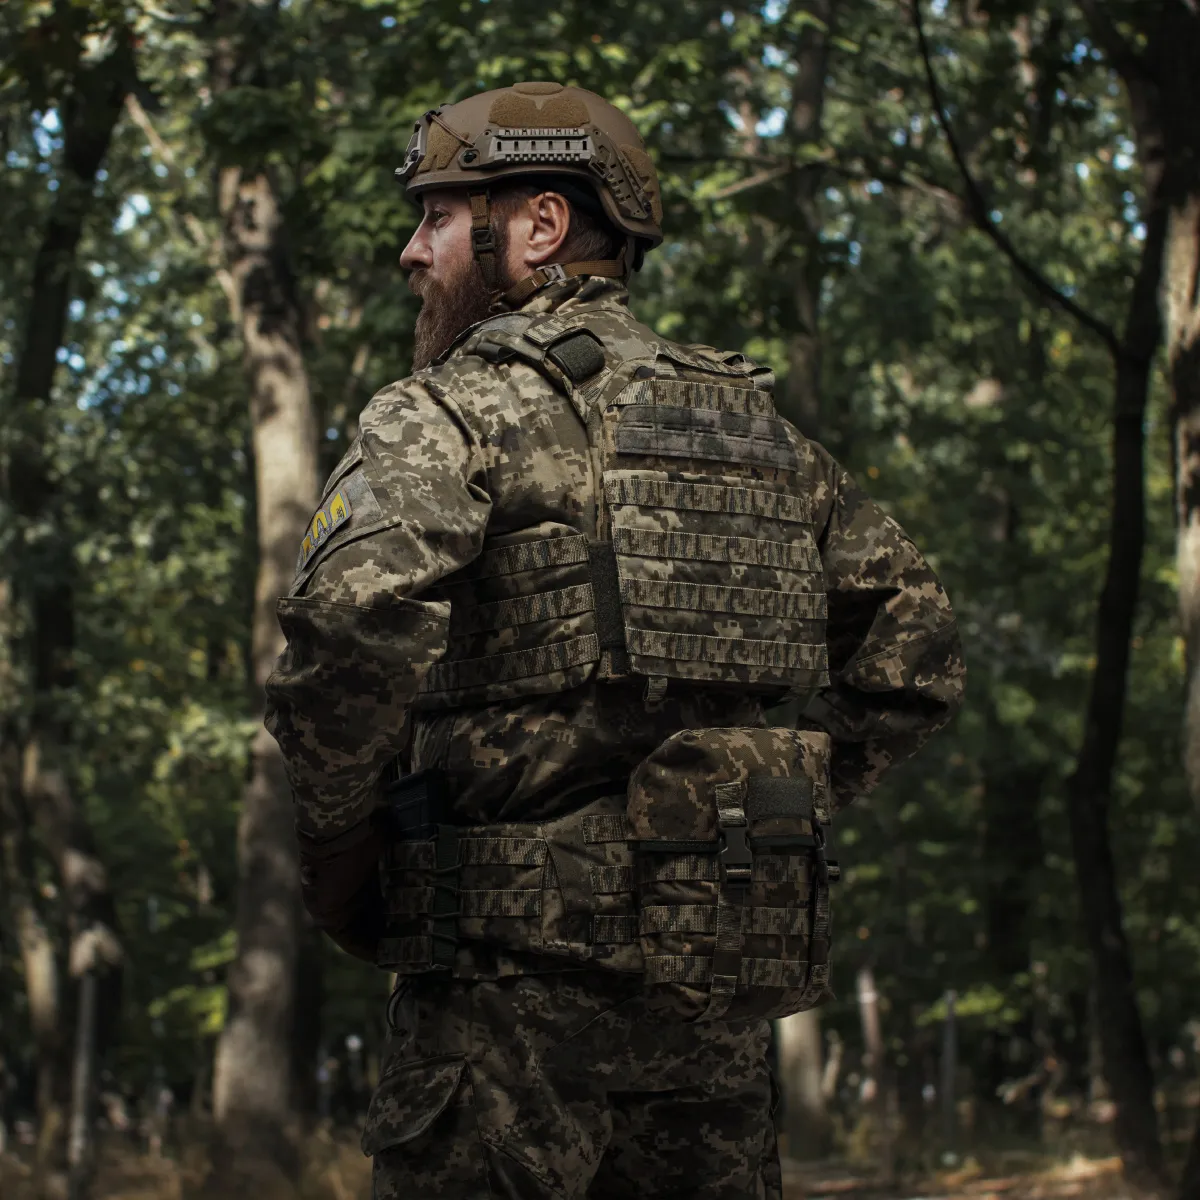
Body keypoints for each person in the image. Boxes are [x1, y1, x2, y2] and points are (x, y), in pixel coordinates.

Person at [265, 82, 965, 1200]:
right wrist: (757, 804)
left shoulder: (450, 410)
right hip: (710, 1007)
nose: (412, 250)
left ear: (537, 227)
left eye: (438, 215)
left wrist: (342, 850)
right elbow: (915, 651)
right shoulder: (759, 433)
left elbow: (349, 627)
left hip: (502, 1008)